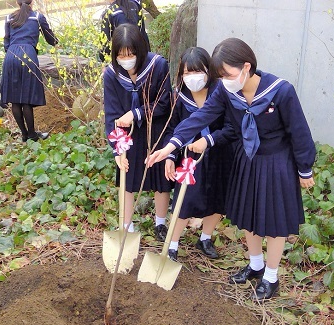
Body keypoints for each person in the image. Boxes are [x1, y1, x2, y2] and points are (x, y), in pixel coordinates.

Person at [147, 37, 316, 301]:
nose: (224, 79)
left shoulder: (280, 91)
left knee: (273, 221)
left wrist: (304, 169)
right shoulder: (228, 91)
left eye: (228, 73)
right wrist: (172, 146)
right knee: (249, 215)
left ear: (246, 67)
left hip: (276, 163)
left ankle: (271, 277)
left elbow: (299, 132)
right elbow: (201, 117)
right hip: (246, 160)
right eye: (221, 75)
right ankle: (255, 264)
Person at [163, 47, 234, 261]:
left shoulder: (221, 92)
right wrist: (170, 155)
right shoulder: (178, 97)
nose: (193, 78)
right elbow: (172, 128)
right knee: (184, 200)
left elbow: (231, 126)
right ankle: (172, 246)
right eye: (188, 73)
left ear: (209, 71)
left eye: (198, 71)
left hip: (219, 153)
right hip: (190, 156)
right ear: (181, 74)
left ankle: (205, 237)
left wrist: (210, 140)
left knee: (218, 198)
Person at [105, 24, 172, 241]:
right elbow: (112, 114)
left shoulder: (158, 65)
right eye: (121, 55)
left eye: (131, 54)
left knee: (160, 176)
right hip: (128, 135)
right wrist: (117, 149)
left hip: (156, 127)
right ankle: (126, 226)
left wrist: (136, 113)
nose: (127, 59)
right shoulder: (112, 75)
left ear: (140, 50)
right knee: (127, 174)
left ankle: (160, 223)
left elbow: (164, 103)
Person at [1, 0, 58, 142]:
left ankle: (24, 135)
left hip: (11, 55)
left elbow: (6, 42)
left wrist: (13, 53)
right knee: (26, 98)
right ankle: (32, 135)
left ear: (17, 2)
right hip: (28, 54)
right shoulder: (37, 17)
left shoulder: (9, 18)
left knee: (15, 99)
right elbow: (50, 38)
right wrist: (56, 43)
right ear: (31, 1)